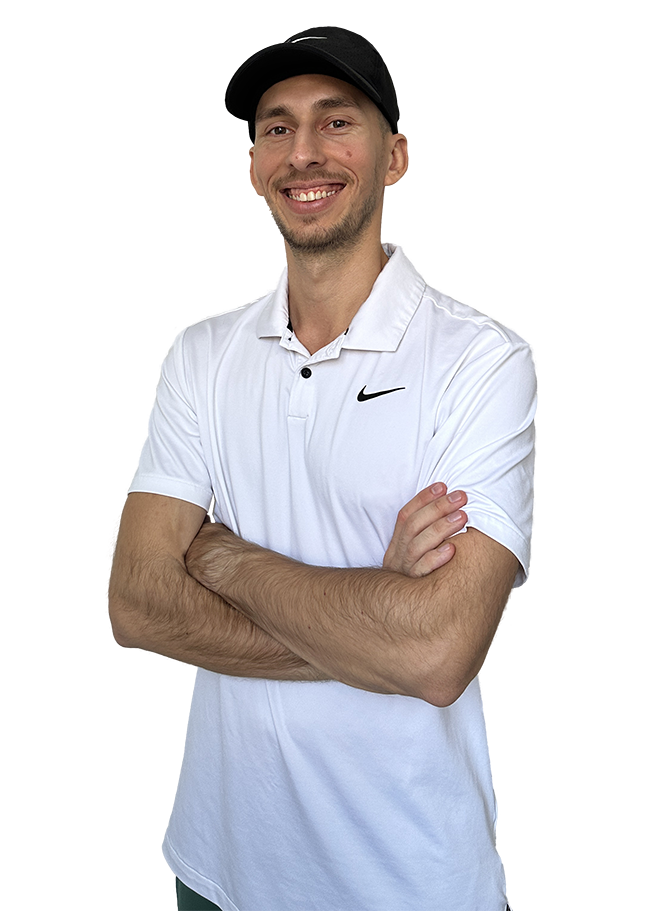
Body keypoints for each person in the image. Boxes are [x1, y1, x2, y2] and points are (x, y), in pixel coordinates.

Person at [106, 27, 535, 911]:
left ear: (394, 157)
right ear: (253, 164)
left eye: (336, 122)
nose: (303, 152)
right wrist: (371, 619)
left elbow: (434, 654)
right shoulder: (202, 354)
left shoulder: (477, 360)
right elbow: (138, 603)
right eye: (277, 127)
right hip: (217, 864)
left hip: (404, 879)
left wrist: (220, 556)